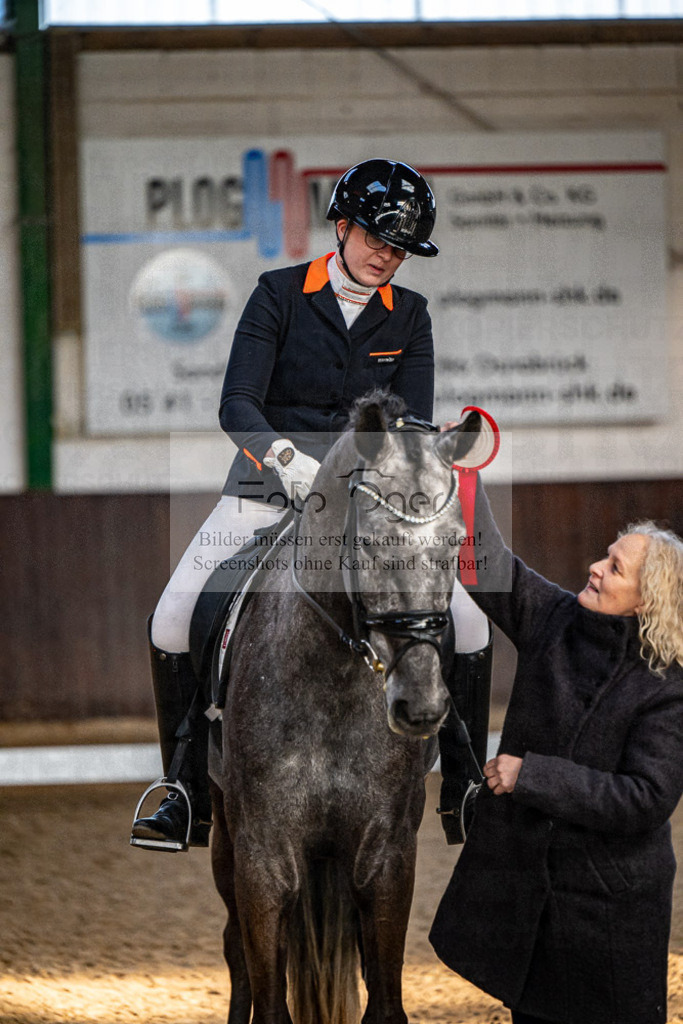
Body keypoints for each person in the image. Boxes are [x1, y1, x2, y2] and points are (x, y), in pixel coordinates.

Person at [130, 158, 492, 851]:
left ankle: (462, 786)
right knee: (173, 617)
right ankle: (183, 790)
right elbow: (237, 403)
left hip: (365, 506)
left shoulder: (409, 316)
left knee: (469, 625)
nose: (388, 256)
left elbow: (408, 423)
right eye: (378, 239)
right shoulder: (278, 295)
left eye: (402, 248)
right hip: (269, 488)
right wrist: (287, 460)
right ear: (342, 224)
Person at [429, 478, 683, 1024]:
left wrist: (533, 776)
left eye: (614, 569)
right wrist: (467, 479)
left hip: (609, 911)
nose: (594, 567)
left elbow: (645, 798)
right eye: (605, 556)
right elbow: (486, 564)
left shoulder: (670, 685)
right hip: (531, 898)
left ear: (650, 599)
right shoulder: (555, 617)